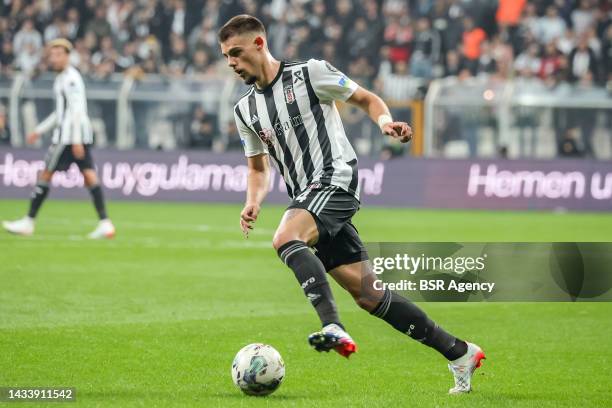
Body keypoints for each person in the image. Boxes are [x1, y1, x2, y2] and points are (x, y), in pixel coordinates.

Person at [218, 15, 485, 394]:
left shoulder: (310, 73)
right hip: (307, 198)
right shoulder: (245, 110)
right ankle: (459, 352)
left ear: (259, 44)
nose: (231, 62)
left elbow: (366, 98)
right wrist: (252, 201)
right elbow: (258, 169)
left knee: (285, 238)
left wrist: (384, 123)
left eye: (236, 53)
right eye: (226, 56)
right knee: (369, 295)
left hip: (334, 179)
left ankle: (332, 325)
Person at [2, 39, 115, 239]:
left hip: (69, 137)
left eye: (58, 55)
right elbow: (60, 112)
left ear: (67, 56)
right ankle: (105, 223)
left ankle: (28, 222)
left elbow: (77, 111)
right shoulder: (62, 79)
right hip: (74, 135)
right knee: (89, 176)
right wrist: (39, 129)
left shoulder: (71, 79)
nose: (54, 59)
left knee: (45, 174)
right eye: (51, 55)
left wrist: (77, 139)